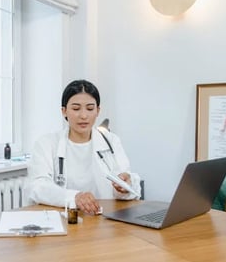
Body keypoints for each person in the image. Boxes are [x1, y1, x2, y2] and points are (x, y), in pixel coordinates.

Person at [26, 79, 141, 214]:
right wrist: (74, 197)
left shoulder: (111, 141)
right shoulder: (47, 143)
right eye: (75, 108)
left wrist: (125, 186)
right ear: (64, 111)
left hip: (103, 219)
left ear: (98, 111)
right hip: (63, 218)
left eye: (90, 108)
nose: (83, 115)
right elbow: (38, 187)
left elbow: (126, 188)